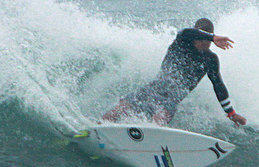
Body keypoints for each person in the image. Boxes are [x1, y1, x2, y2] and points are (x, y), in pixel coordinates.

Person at [103, 18, 247, 126]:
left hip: (171, 98)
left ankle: (151, 134)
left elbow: (218, 85)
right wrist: (212, 37)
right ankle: (99, 128)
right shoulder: (181, 43)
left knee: (164, 112)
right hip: (155, 88)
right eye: (202, 39)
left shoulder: (210, 59)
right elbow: (187, 32)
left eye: (208, 40)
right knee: (123, 106)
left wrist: (231, 113)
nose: (205, 43)